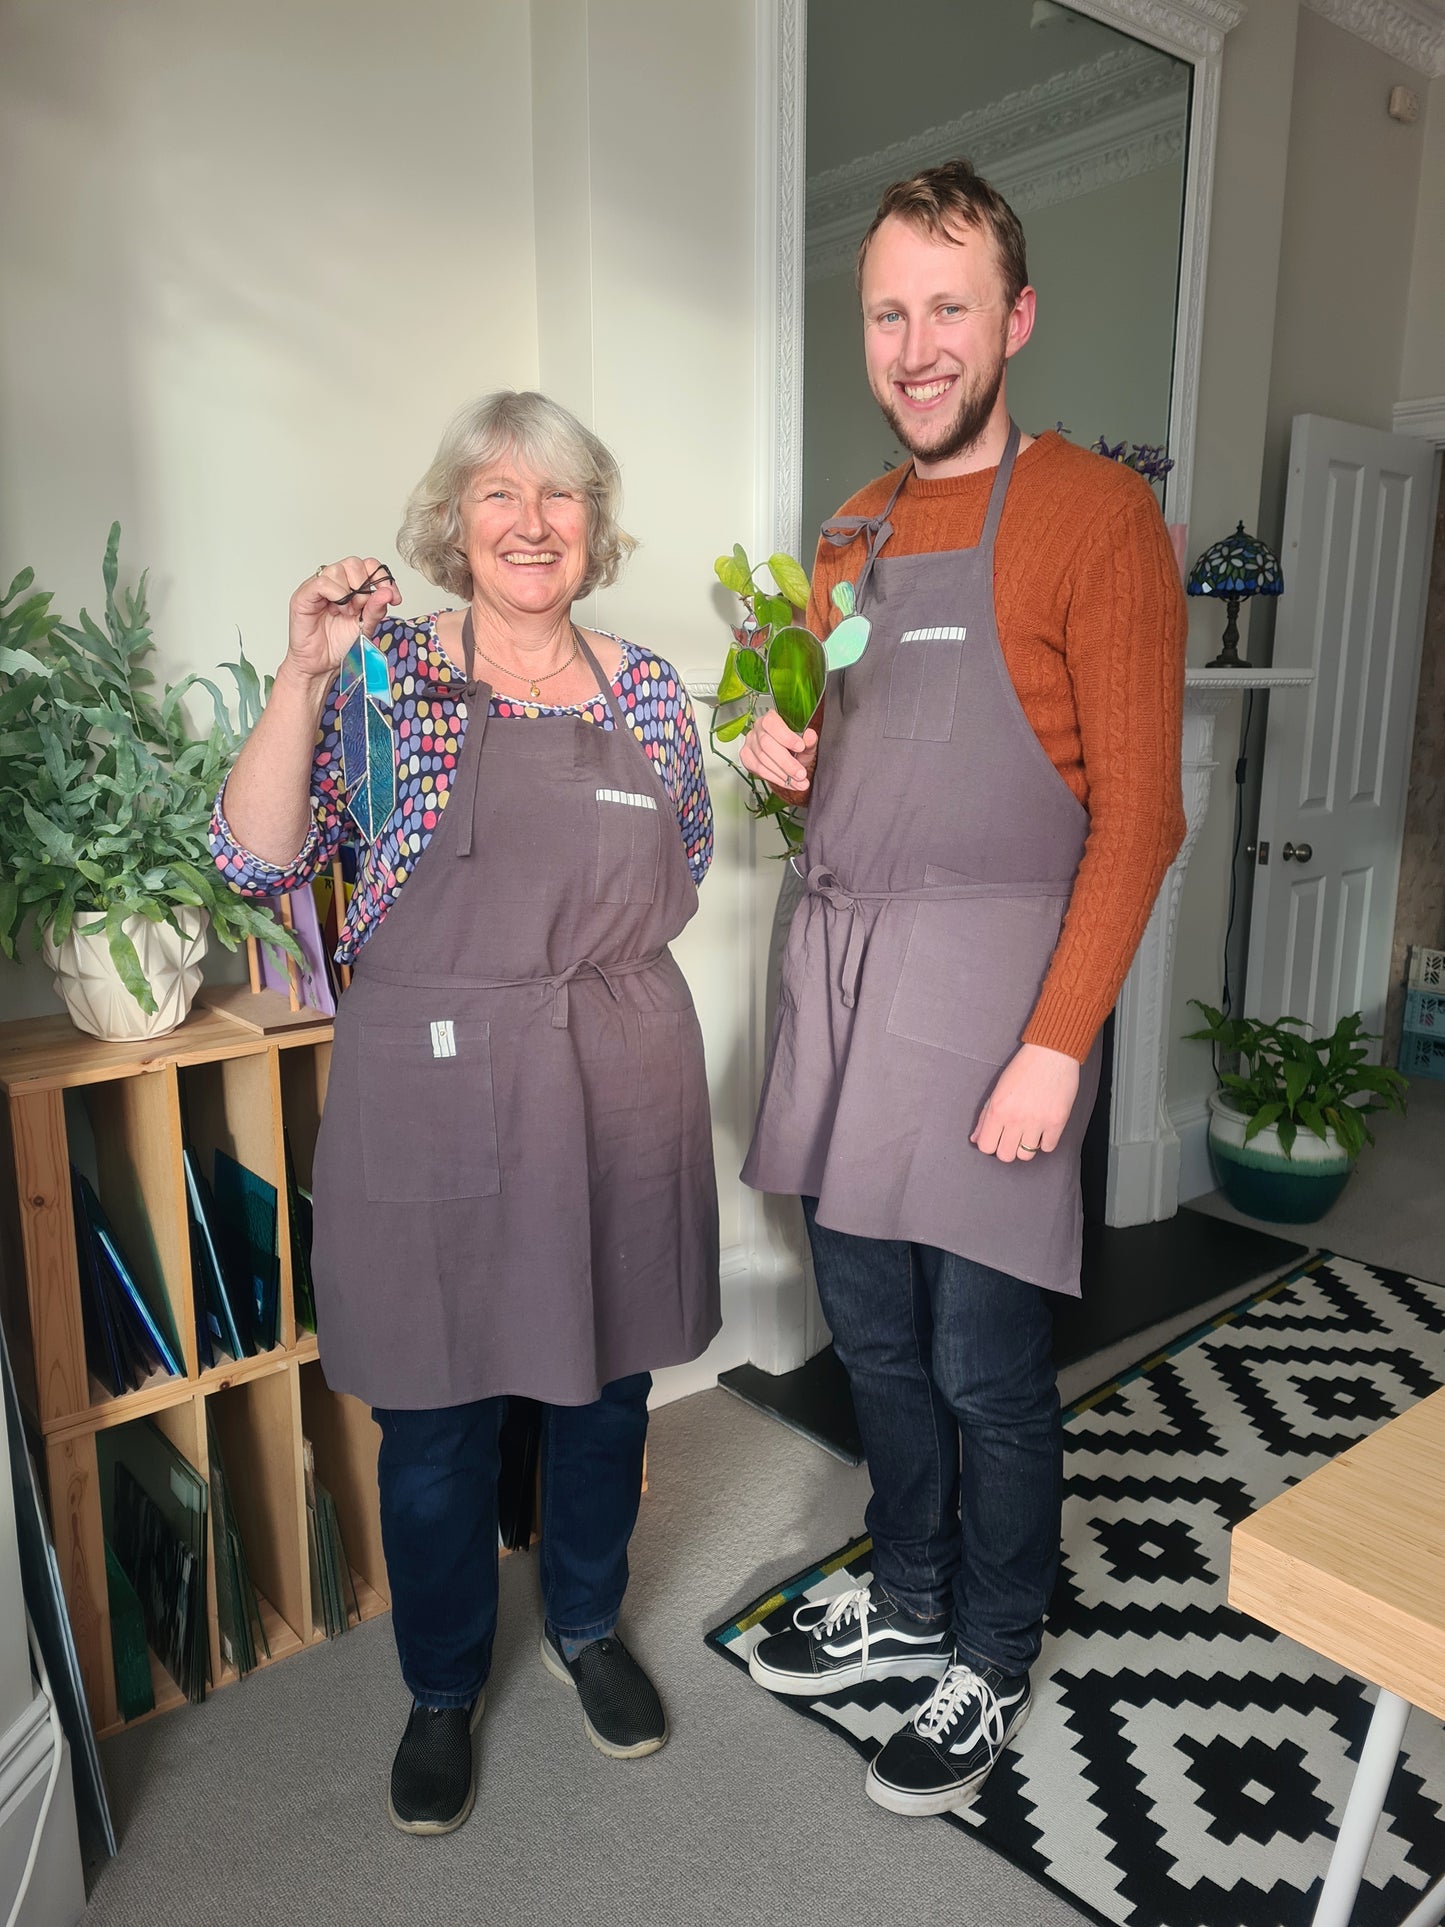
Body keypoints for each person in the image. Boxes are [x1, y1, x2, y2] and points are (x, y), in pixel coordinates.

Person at [739, 159, 1186, 1816]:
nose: (915, 344)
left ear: (1011, 319)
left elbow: (1138, 815)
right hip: (843, 981)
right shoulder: (847, 531)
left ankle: (990, 1649)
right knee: (874, 1342)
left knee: (987, 1364)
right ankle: (909, 1593)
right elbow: (832, 779)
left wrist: (1055, 1047)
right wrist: (775, 755)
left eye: (946, 308)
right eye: (885, 311)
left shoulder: (1092, 514)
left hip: (1000, 990)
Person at [211, 390, 720, 1836]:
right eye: (497, 495)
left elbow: (676, 863)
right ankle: (441, 1688)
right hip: (426, 1081)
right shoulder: (379, 680)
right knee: (433, 1415)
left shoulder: (647, 693)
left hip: (615, 1070)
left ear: (592, 527)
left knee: (602, 1389)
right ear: (453, 525)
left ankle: (585, 1625)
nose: (530, 521)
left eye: (557, 497)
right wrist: (299, 675)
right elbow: (255, 865)